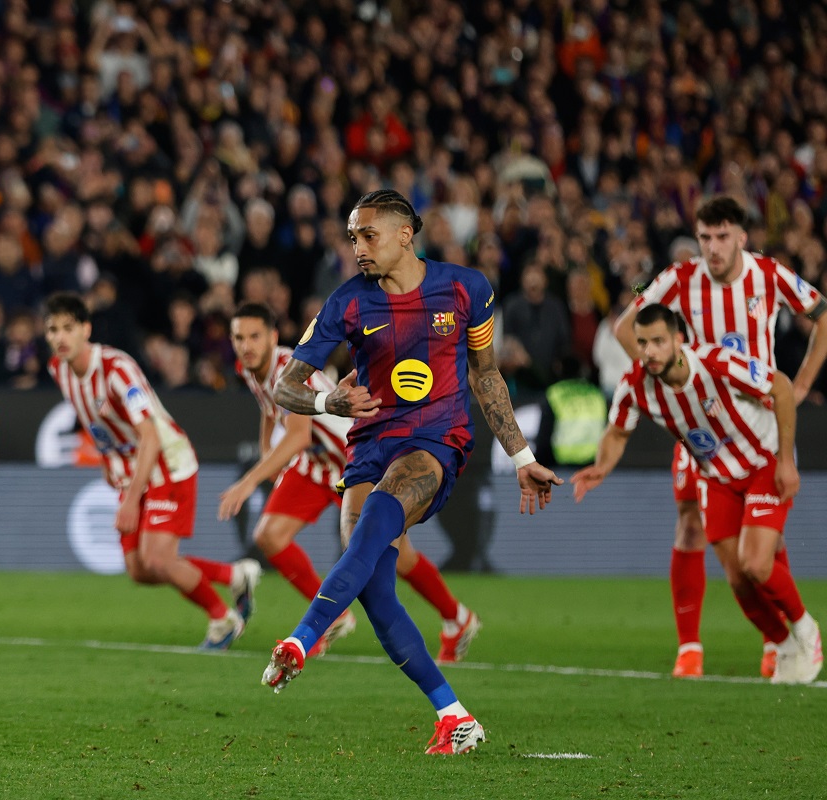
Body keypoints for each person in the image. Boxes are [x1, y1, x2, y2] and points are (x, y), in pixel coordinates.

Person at [260, 190, 561, 756]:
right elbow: (286, 385)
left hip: (434, 442)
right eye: (352, 237)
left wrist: (522, 458)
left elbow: (487, 375)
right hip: (368, 445)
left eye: (367, 235)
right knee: (374, 590)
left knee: (375, 522)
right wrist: (331, 406)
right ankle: (454, 716)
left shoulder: (467, 289)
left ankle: (302, 638)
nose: (358, 247)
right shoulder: (347, 303)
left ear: (405, 234)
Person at [612, 195, 827, 678]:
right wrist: (662, 383)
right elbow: (626, 327)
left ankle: (784, 637)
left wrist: (804, 382)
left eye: (722, 236)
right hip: (702, 424)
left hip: (759, 425)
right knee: (694, 525)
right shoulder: (682, 276)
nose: (712, 247)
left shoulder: (769, 274)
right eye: (705, 237)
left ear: (742, 237)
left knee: (760, 548)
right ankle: (691, 645)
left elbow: (822, 315)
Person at [574, 304, 822, 684]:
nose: (650, 351)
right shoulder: (637, 383)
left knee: (756, 562)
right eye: (642, 343)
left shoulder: (718, 362)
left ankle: (806, 629)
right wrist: (602, 466)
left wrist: (786, 460)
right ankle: (783, 644)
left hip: (762, 461)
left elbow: (782, 387)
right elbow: (618, 432)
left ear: (678, 340)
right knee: (738, 577)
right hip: (715, 476)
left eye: (658, 341)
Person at [220, 301, 482, 662]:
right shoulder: (251, 369)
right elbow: (269, 409)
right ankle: (334, 618)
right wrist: (267, 449)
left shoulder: (288, 368)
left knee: (397, 557)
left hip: (353, 459)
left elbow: (296, 436)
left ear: (273, 338)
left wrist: (249, 481)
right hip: (315, 464)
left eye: (254, 336)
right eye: (238, 337)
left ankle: (458, 618)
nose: (246, 345)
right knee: (269, 535)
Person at [43, 291, 260, 649]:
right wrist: (106, 459)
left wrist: (130, 500)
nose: (60, 337)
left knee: (158, 558)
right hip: (131, 471)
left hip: (167, 464)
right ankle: (234, 574)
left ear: (86, 329)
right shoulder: (59, 369)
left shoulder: (117, 370)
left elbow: (150, 436)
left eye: (68, 328)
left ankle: (223, 618)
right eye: (53, 329)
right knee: (140, 570)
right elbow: (92, 418)